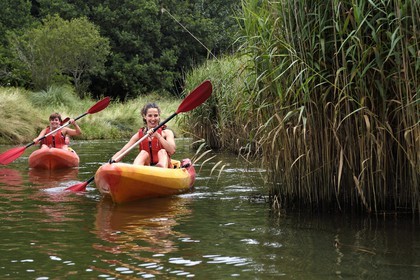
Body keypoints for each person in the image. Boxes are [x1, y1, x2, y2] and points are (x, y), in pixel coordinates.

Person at [111, 102, 176, 167]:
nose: (153, 119)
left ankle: (161, 168)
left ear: (159, 117)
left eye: (156, 115)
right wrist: (110, 163)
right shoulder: (139, 135)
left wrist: (158, 136)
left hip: (165, 167)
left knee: (162, 152)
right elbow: (123, 151)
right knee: (143, 153)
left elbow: (172, 150)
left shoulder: (167, 132)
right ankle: (135, 169)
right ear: (145, 116)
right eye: (150, 116)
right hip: (147, 166)